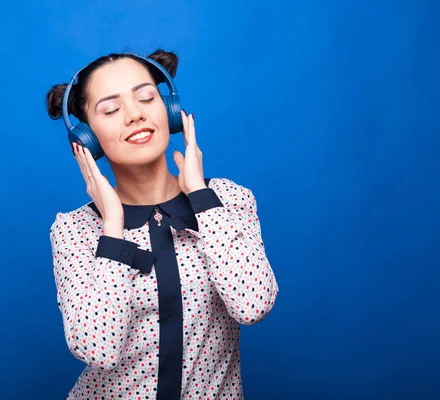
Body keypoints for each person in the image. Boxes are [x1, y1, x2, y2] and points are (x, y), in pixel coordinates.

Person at [46, 48, 279, 400]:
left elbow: (253, 305)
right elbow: (98, 349)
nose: (135, 115)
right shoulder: (74, 230)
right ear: (87, 138)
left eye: (146, 98)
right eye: (111, 109)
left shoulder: (228, 200)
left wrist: (201, 197)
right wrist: (112, 225)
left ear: (169, 109)